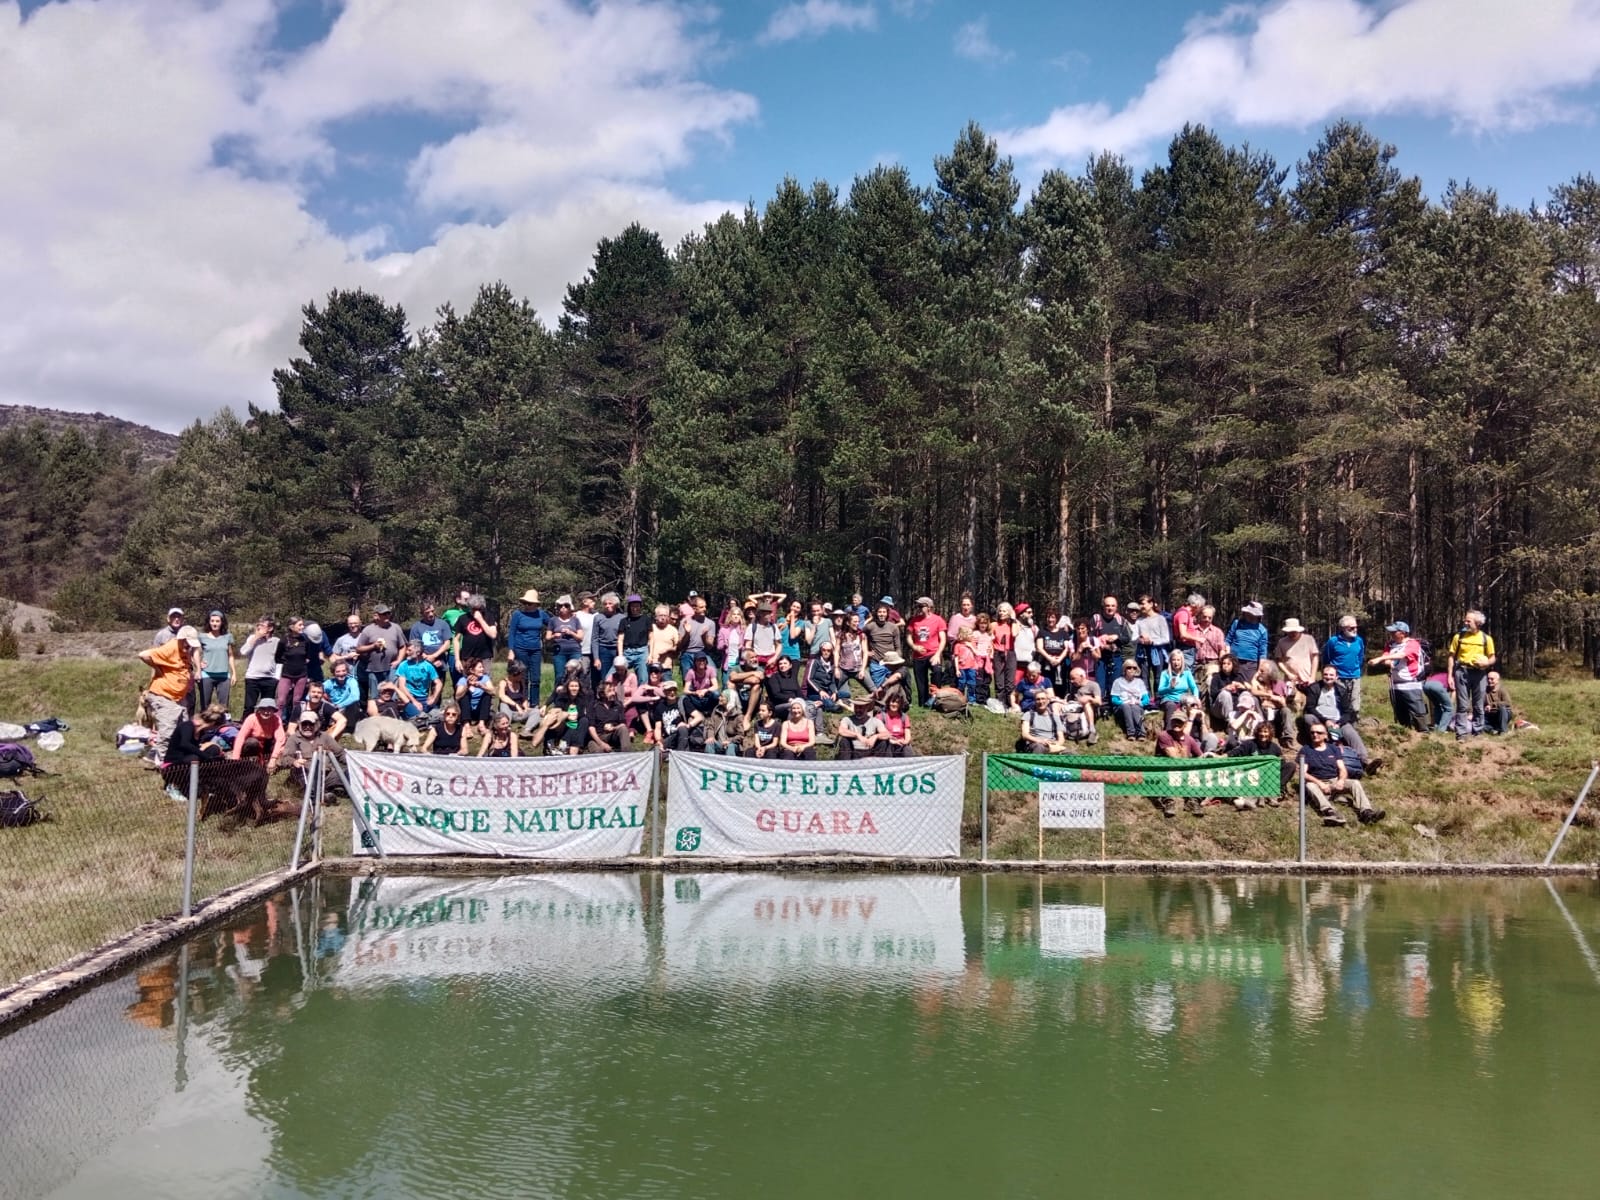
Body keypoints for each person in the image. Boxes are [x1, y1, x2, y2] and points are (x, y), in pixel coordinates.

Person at [137, 624, 202, 767]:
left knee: (183, 731)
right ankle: (165, 765)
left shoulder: (186, 649)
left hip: (179, 698)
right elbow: (143, 654)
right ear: (182, 639)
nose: (189, 646)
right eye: (187, 643)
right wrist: (157, 667)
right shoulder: (171, 647)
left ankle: (173, 759)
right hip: (164, 695)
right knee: (167, 732)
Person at [1299, 720, 1385, 826]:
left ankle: (1366, 812)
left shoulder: (1333, 749)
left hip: (1334, 780)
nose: (1315, 735)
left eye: (1318, 732)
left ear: (1326, 735)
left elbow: (1342, 768)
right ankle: (1330, 812)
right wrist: (1320, 784)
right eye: (1312, 732)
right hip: (1319, 783)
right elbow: (1303, 773)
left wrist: (1341, 780)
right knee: (1309, 785)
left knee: (1355, 783)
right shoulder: (1306, 750)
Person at [1300, 665, 1377, 771]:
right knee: (1308, 718)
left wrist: (1339, 723)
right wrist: (1325, 721)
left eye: (1331, 675)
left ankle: (1366, 761)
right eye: (1325, 674)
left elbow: (1347, 712)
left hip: (1337, 721)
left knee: (1351, 733)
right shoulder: (1314, 688)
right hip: (1320, 720)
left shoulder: (1341, 690)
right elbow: (1310, 707)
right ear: (1322, 675)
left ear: (1336, 677)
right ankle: (1323, 743)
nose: (1328, 677)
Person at [1446, 610, 1496, 741]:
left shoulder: (1486, 639)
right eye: (1465, 620)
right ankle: (1461, 734)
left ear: (1477, 623)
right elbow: (1451, 657)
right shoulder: (1459, 637)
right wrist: (1450, 676)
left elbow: (1492, 658)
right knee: (1462, 704)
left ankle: (1478, 732)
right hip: (1462, 672)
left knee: (1478, 704)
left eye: (1469, 621)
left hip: (1479, 674)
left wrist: (1486, 663)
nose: (1465, 622)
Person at [1371, 621, 1429, 732]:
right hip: (1395, 685)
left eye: (1394, 632)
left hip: (1410, 684)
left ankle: (1423, 735)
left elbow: (1402, 655)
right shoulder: (1390, 644)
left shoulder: (1413, 644)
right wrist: (1385, 661)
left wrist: (1380, 659)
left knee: (1418, 713)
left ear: (1403, 633)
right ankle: (1404, 734)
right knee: (1401, 714)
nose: (1391, 634)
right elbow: (1386, 657)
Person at [505, 590, 550, 707]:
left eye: (529, 603)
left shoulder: (541, 614)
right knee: (522, 677)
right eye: (525, 603)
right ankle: (522, 701)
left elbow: (553, 623)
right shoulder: (518, 615)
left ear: (536, 604)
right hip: (520, 649)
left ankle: (534, 703)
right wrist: (511, 650)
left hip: (535, 650)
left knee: (535, 678)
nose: (527, 605)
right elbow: (512, 633)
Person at [281, 709, 342, 789]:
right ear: (299, 724)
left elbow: (340, 753)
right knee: (305, 780)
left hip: (325, 774)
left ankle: (328, 791)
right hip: (305, 774)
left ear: (317, 724)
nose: (307, 727)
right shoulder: (293, 739)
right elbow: (284, 759)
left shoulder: (325, 737)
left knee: (346, 773)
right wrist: (294, 762)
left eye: (311, 724)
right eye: (304, 724)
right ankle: (319, 794)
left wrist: (352, 761)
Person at [357, 605, 406, 704]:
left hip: (392, 668)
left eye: (388, 613)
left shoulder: (395, 627)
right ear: (376, 616)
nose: (387, 616)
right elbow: (359, 648)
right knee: (376, 696)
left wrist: (399, 660)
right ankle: (377, 715)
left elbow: (403, 646)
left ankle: (392, 713)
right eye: (384, 614)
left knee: (392, 693)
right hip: (373, 669)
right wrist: (373, 646)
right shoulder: (368, 630)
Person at [907, 596, 947, 707]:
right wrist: (914, 646)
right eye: (918, 606)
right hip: (918, 655)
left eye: (922, 606)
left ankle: (935, 699)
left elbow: (943, 639)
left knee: (937, 673)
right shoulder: (914, 620)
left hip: (933, 653)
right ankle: (923, 704)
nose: (919, 608)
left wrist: (938, 654)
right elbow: (909, 636)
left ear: (929, 607)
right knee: (921, 681)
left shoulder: (938, 620)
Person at [1090, 595, 1133, 695]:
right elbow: (1089, 638)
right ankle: (1100, 707)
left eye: (1113, 606)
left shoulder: (1121, 620)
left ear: (1116, 607)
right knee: (1100, 685)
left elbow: (1127, 639)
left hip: (1116, 657)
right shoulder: (1096, 619)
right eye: (1107, 606)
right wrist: (1101, 642)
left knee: (1115, 684)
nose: (1110, 608)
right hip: (1100, 658)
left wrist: (1117, 637)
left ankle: (1113, 707)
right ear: (1103, 607)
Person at [274, 616, 318, 715]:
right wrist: (288, 662)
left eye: (303, 625)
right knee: (281, 701)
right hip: (286, 674)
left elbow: (307, 656)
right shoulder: (284, 640)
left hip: (301, 674)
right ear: (292, 627)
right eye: (300, 625)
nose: (302, 627)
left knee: (296, 701)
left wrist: (302, 662)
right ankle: (277, 723)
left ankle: (294, 723)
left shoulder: (305, 640)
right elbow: (277, 658)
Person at [1322, 615, 1366, 713]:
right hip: (1338, 678)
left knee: (1355, 705)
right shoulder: (1333, 641)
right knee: (1339, 703)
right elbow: (1327, 659)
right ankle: (1339, 724)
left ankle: (1354, 723)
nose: (1355, 629)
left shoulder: (1359, 641)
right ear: (1343, 628)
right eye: (1351, 628)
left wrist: (1357, 668)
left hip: (1355, 676)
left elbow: (1360, 657)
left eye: (1356, 627)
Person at [1273, 618, 1320, 709]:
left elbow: (1315, 657)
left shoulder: (1309, 639)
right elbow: (1279, 660)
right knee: (1291, 703)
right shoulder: (1282, 642)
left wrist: (1312, 677)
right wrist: (1288, 673)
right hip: (1291, 680)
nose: (1292, 633)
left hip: (1307, 678)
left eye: (1294, 631)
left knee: (1309, 703)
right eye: (1290, 631)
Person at [239, 615, 281, 714]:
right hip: (252, 678)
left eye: (262, 625)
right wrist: (256, 638)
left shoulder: (276, 641)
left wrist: (276, 678)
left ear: (270, 628)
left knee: (267, 707)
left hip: (269, 679)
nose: (259, 627)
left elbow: (279, 661)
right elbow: (243, 652)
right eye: (258, 625)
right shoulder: (252, 638)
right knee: (249, 706)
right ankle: (247, 726)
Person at [451, 594, 498, 682]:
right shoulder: (463, 618)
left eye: (479, 609)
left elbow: (493, 635)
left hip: (484, 657)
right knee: (468, 682)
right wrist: (457, 660)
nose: (476, 611)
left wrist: (480, 620)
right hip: (467, 657)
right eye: (473, 609)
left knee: (485, 682)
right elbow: (456, 640)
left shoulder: (488, 616)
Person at [196, 610, 235, 714]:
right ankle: (204, 728)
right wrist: (198, 664)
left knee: (224, 706)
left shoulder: (227, 637)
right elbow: (194, 654)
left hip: (223, 676)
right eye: (212, 621)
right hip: (206, 675)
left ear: (222, 622)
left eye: (217, 621)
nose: (215, 623)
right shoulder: (202, 637)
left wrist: (234, 673)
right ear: (209, 622)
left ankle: (223, 727)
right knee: (205, 705)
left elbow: (230, 655)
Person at [233, 697, 285, 770]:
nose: (266, 712)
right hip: (253, 745)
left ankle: (271, 763)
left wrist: (273, 758)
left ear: (274, 711)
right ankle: (247, 762)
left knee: (283, 747)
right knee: (252, 742)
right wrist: (235, 758)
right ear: (259, 710)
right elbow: (240, 737)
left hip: (268, 743)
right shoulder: (251, 718)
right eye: (263, 709)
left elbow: (280, 739)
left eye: (270, 709)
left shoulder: (276, 719)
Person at [408, 600, 455, 680]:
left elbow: (447, 644)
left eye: (432, 611)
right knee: (423, 689)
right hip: (422, 662)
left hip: (440, 661)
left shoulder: (443, 624)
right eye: (427, 612)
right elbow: (414, 646)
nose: (431, 614)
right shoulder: (416, 627)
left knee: (438, 687)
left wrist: (434, 656)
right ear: (422, 613)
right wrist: (426, 657)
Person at [863, 601, 904, 690]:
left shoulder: (894, 627)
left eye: (884, 612)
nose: (882, 614)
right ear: (876, 613)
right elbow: (859, 637)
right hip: (876, 663)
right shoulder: (870, 627)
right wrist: (865, 651)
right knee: (879, 690)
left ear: (887, 614)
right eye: (879, 612)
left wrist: (897, 659)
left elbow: (898, 647)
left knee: (894, 689)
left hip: (891, 663)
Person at [1153, 649, 1201, 724]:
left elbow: (1194, 688)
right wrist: (1170, 687)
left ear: (1182, 661)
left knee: (1192, 706)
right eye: (1174, 660)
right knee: (1171, 706)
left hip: (1183, 700)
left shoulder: (1187, 673)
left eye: (1178, 660)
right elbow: (1160, 690)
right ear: (1170, 661)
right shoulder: (1165, 673)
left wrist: (1196, 697)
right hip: (1169, 700)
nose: (1176, 662)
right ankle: (1169, 732)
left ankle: (1194, 732)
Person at [1133, 595, 1172, 688]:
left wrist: (1152, 641)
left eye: (1143, 604)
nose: (1141, 606)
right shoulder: (1139, 621)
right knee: (1143, 677)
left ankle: (1159, 699)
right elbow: (1133, 637)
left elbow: (1166, 638)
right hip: (1143, 652)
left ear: (1151, 604)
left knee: (1158, 677)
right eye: (1140, 604)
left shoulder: (1160, 619)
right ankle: (1146, 699)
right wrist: (1140, 639)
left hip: (1157, 652)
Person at [1226, 602, 1269, 681]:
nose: (1248, 615)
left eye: (1251, 613)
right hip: (1233, 660)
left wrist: (1260, 670)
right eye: (1247, 613)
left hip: (1250, 664)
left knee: (1246, 687)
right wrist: (1227, 657)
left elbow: (1262, 653)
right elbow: (1228, 641)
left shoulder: (1262, 630)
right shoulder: (1237, 623)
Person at [1110, 658, 1151, 739]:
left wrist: (1140, 703)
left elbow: (1146, 699)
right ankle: (1131, 733)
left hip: (1136, 706)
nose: (1132, 669)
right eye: (1129, 667)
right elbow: (1114, 699)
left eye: (1134, 668)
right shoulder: (1118, 682)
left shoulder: (1140, 682)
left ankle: (1141, 733)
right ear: (1124, 669)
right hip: (1122, 707)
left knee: (1135, 707)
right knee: (1127, 706)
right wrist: (1123, 702)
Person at [591, 592, 625, 689]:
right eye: (605, 604)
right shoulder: (598, 618)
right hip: (603, 650)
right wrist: (596, 658)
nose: (607, 606)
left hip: (617, 650)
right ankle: (604, 698)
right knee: (605, 677)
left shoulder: (622, 618)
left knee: (618, 675)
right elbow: (594, 639)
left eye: (610, 603)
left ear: (616, 604)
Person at [548, 594, 583, 684]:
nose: (563, 608)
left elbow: (580, 637)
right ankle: (558, 696)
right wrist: (554, 636)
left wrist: (571, 632)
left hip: (574, 651)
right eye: (560, 606)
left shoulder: (575, 620)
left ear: (570, 607)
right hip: (559, 652)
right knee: (560, 676)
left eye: (566, 606)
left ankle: (575, 695)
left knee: (576, 675)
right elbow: (547, 637)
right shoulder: (553, 620)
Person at [700, 688, 747, 755]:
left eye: (722, 696)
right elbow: (711, 726)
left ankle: (729, 765)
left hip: (732, 744)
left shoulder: (738, 715)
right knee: (709, 744)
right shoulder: (717, 710)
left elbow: (740, 735)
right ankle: (709, 765)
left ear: (729, 699)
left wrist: (729, 741)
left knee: (730, 747)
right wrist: (711, 737)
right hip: (719, 743)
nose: (719, 698)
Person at [587, 678, 629, 753]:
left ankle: (627, 755)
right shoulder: (593, 705)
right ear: (602, 694)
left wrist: (613, 728)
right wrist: (601, 743)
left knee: (623, 730)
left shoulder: (618, 705)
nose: (613, 693)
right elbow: (591, 728)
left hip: (613, 735)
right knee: (597, 750)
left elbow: (623, 724)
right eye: (609, 691)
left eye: (613, 691)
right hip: (597, 737)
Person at [454, 660, 494, 733]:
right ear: (472, 670)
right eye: (480, 667)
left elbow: (493, 692)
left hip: (480, 711)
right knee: (464, 695)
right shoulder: (463, 680)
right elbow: (457, 697)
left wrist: (482, 686)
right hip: (466, 711)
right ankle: (467, 725)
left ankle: (481, 724)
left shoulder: (485, 678)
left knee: (487, 694)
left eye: (482, 667)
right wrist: (467, 686)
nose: (482, 669)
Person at [324, 661, 363, 730]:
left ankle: (350, 728)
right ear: (333, 673)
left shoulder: (351, 681)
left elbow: (355, 697)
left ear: (347, 672)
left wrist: (340, 706)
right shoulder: (329, 683)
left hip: (346, 707)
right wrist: (328, 704)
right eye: (338, 671)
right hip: (333, 708)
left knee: (354, 703)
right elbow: (311, 695)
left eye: (343, 671)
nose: (341, 674)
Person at [496, 659, 535, 725]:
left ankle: (527, 729)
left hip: (519, 712)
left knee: (536, 711)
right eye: (521, 674)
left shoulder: (521, 682)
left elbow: (524, 698)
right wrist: (515, 705)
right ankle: (507, 725)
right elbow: (502, 696)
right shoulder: (503, 682)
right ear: (514, 674)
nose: (523, 676)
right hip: (507, 712)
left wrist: (525, 707)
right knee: (503, 704)